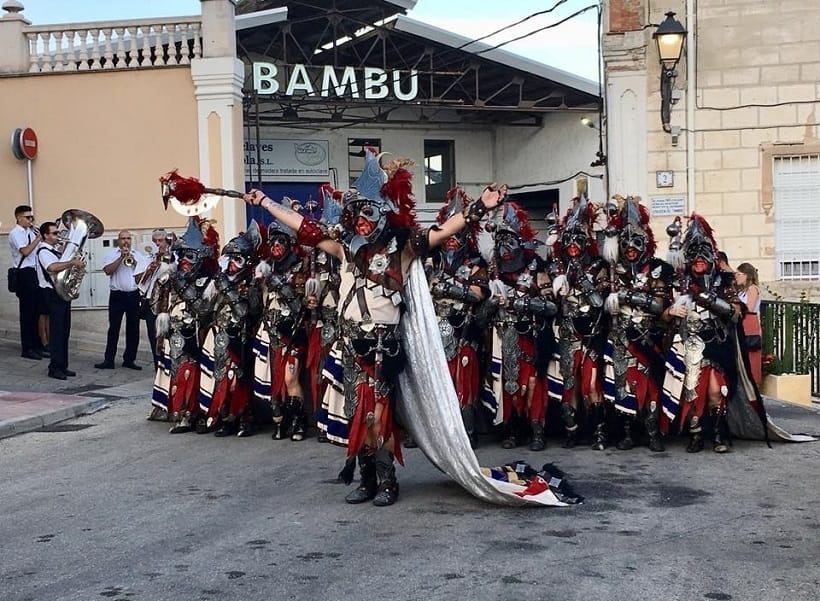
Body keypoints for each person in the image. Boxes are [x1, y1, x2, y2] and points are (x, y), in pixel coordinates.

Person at [244, 148, 503, 506]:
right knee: (357, 416)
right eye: (355, 215)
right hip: (350, 345)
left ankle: (387, 481)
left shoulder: (404, 249)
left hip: (384, 348)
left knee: (376, 416)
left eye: (367, 213)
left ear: (382, 214)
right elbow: (303, 228)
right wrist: (266, 202)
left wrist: (480, 207)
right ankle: (366, 479)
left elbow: (443, 231)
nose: (360, 221)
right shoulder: (345, 250)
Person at [36, 222, 84, 380]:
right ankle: (54, 368)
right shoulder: (43, 251)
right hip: (51, 294)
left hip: (60, 293)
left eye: (57, 233)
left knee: (64, 331)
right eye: (55, 233)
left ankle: (63, 365)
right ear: (45, 236)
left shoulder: (54, 250)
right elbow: (52, 267)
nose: (58, 236)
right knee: (56, 333)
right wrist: (71, 262)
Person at [95, 230, 148, 370]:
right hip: (117, 295)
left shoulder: (138, 255)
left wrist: (134, 261)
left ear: (131, 240)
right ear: (118, 240)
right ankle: (109, 360)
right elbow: (108, 271)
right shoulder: (111, 255)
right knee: (113, 328)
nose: (125, 241)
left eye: (128, 238)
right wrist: (120, 259)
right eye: (123, 238)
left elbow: (144, 275)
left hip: (133, 295)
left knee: (133, 328)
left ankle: (129, 359)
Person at [9, 205, 45, 360]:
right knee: (27, 313)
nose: (31, 220)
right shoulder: (15, 233)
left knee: (36, 311)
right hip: (24, 273)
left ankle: (37, 345)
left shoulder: (30, 232)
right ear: (19, 218)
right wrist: (38, 238)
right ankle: (27, 348)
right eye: (28, 217)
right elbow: (25, 251)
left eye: (32, 218)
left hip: (34, 271)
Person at [134, 229, 174, 368]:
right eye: (155, 241)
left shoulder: (175, 257)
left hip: (170, 303)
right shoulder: (147, 258)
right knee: (154, 339)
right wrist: (149, 270)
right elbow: (137, 280)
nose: (158, 244)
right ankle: (158, 371)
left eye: (161, 240)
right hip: (152, 303)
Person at [735, 262, 762, 386]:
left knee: (751, 356)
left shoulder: (752, 289)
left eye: (739, 274)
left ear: (747, 275)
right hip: (742, 323)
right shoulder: (741, 290)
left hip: (749, 324)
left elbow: (749, 307)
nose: (736, 276)